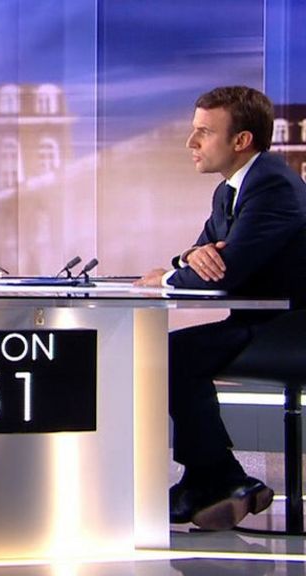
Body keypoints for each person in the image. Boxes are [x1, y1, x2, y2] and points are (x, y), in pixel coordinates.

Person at [136, 86, 306, 531]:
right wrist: (187, 259)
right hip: (264, 323)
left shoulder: (272, 185)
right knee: (170, 354)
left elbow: (224, 272)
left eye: (204, 132)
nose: (190, 142)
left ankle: (217, 477)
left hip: (290, 329)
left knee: (172, 355)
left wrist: (168, 277)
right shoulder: (229, 190)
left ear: (241, 140)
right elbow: (200, 253)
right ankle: (213, 479)